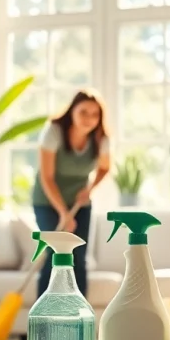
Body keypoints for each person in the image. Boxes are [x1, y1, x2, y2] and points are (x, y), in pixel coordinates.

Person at [31, 89, 111, 297]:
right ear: (72, 111)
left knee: (78, 256)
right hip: (47, 202)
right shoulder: (54, 132)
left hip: (80, 203)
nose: (89, 119)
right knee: (55, 252)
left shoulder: (100, 138)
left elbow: (104, 168)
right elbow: (47, 178)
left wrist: (90, 189)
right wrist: (63, 213)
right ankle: (44, 318)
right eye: (83, 112)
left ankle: (78, 315)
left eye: (95, 114)